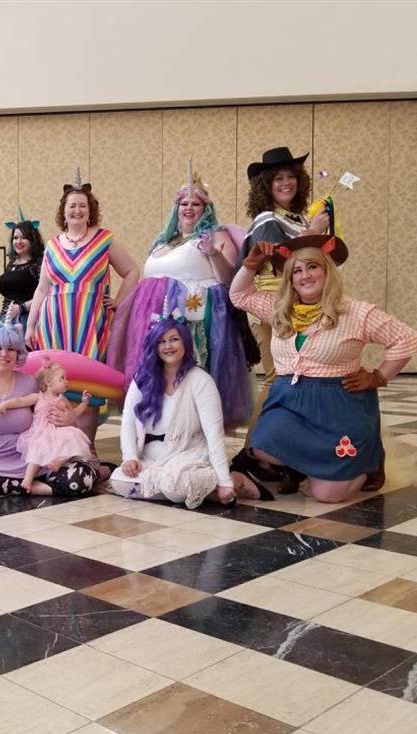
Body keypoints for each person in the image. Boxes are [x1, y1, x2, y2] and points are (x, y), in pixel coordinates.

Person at [230, 235, 417, 503]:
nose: (305, 276)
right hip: (289, 402)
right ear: (290, 279)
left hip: (337, 408)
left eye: (312, 267)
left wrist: (378, 377)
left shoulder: (356, 312)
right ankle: (304, 467)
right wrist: (250, 265)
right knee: (262, 446)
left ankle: (369, 463)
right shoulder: (280, 308)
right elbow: (239, 295)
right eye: (297, 270)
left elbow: (407, 339)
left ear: (327, 271)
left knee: (328, 496)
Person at [107, 171, 251, 429]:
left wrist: (213, 254)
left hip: (194, 319)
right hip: (155, 321)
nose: (189, 208)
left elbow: (228, 279)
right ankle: (159, 427)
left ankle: (192, 429)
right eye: (184, 203)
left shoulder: (215, 236)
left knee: (189, 375)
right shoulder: (164, 240)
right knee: (159, 376)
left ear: (206, 208)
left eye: (196, 204)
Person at [237, 147, 331, 489]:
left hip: (299, 312)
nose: (286, 182)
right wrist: (313, 233)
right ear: (267, 185)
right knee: (276, 379)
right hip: (271, 310)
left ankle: (287, 454)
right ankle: (251, 454)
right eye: (278, 178)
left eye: (291, 176)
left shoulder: (297, 219)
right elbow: (283, 263)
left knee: (297, 380)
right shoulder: (268, 220)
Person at [24, 175, 140, 442]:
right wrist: (30, 325)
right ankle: (57, 446)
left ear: (90, 210)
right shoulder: (53, 245)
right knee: (54, 383)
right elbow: (42, 288)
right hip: (54, 323)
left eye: (82, 206)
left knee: (88, 385)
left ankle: (86, 447)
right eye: (72, 206)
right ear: (63, 212)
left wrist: (119, 301)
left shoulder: (105, 239)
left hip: (91, 322)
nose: (77, 210)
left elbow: (132, 271)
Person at [110, 316, 270, 508]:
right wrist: (130, 457)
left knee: (175, 486)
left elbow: (214, 434)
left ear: (185, 341)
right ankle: (206, 492)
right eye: (161, 341)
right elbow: (128, 421)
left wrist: (224, 480)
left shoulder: (201, 381)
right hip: (150, 460)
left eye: (174, 339)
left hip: (187, 458)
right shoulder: (143, 379)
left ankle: (230, 479)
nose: (168, 346)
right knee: (119, 481)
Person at [0, 322, 99, 497]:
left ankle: (32, 483)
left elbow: (48, 414)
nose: (4, 354)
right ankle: (36, 487)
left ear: (18, 353)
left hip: (31, 455)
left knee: (80, 479)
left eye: (11, 349)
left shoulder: (29, 383)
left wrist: (69, 419)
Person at [0, 360, 92, 491]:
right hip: (41, 431)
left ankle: (59, 461)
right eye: (62, 378)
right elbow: (20, 401)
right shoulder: (38, 397)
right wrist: (5, 405)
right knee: (37, 448)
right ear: (48, 382)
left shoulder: (63, 399)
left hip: (58, 430)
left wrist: (84, 403)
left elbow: (73, 414)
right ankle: (28, 478)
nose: (66, 381)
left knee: (75, 436)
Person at [0, 211, 44, 332]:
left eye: (24, 237)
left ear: (33, 240)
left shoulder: (39, 263)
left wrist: (21, 308)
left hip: (30, 320)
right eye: (15, 238)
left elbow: (46, 293)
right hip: (6, 319)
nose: (18, 241)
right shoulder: (12, 263)